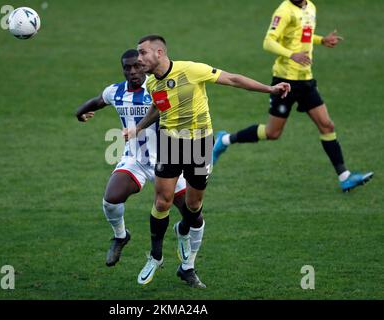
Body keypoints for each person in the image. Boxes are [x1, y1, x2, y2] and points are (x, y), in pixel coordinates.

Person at [126, 35, 290, 288]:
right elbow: (159, 109)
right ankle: (156, 256)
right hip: (170, 142)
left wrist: (270, 89)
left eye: (143, 52)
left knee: (193, 206)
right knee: (162, 200)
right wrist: (138, 128)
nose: (139, 58)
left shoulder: (191, 70)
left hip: (200, 144)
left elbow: (233, 79)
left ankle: (186, 257)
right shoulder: (152, 84)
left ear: (159, 52)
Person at [212, 0, 373, 192]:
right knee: (273, 133)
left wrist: (321, 40)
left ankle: (344, 177)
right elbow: (268, 41)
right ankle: (225, 140)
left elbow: (303, 36)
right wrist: (291, 55)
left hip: (306, 80)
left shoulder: (311, 7)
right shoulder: (284, 11)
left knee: (327, 125)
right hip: (285, 81)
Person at [75, 49, 187, 269]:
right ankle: (120, 236)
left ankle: (184, 246)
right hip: (134, 159)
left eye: (137, 66)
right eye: (127, 67)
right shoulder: (116, 91)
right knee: (110, 200)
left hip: (167, 161)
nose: (133, 71)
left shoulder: (158, 87)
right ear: (123, 69)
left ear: (145, 66)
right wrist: (80, 112)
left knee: (192, 214)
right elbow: (98, 101)